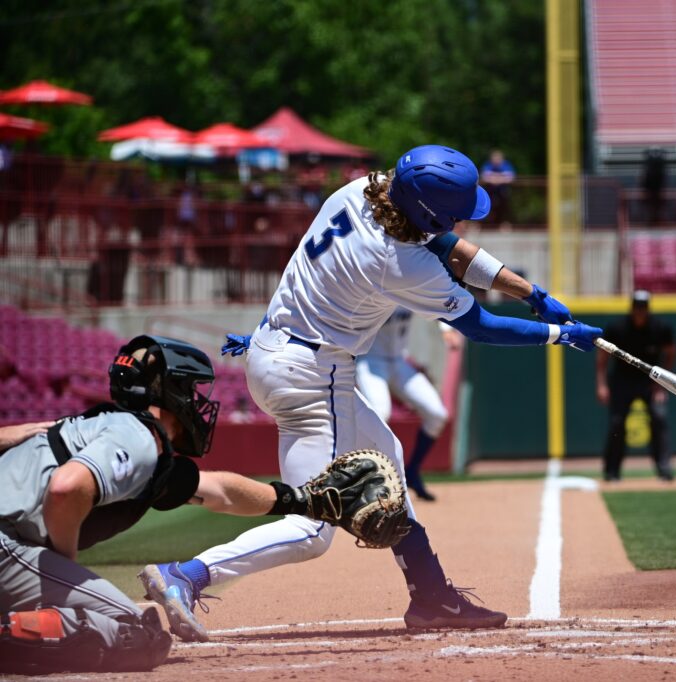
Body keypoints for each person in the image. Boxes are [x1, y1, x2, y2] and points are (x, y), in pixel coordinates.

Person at [144, 144, 602, 641]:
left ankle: (431, 596)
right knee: (312, 528)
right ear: (427, 210)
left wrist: (530, 294)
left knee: (386, 457)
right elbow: (482, 326)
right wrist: (558, 335)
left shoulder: (367, 189)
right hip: (314, 374)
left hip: (274, 348)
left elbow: (448, 245)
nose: (462, 222)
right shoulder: (397, 262)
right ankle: (186, 575)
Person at [0, 335, 344, 674]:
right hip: (6, 545)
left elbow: (220, 491)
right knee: (138, 633)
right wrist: (64, 564)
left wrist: (304, 501)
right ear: (171, 391)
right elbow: (66, 488)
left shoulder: (105, 433)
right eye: (191, 391)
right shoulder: (137, 437)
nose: (197, 403)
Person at [356, 309, 461, 502]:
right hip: (370, 359)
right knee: (380, 412)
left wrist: (446, 327)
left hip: (398, 360)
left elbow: (433, 299)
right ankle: (365, 478)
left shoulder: (407, 283)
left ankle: (412, 471)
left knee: (437, 414)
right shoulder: (373, 284)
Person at [596, 290, 676, 482]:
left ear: (648, 309)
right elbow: (602, 359)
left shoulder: (660, 328)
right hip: (622, 380)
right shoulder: (617, 328)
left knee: (659, 418)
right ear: (631, 308)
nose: (640, 311)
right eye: (637, 307)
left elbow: (672, 353)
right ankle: (611, 471)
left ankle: (664, 468)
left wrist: (662, 384)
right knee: (617, 422)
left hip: (651, 381)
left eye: (643, 307)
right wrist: (602, 385)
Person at [479, 149, 516, 230]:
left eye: (498, 158)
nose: (496, 160)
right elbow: (485, 177)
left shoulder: (506, 165)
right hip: (489, 192)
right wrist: (501, 178)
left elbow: (510, 178)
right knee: (486, 207)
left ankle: (504, 225)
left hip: (503, 193)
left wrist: (494, 178)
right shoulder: (488, 165)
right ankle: (482, 226)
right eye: (494, 158)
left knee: (504, 209)